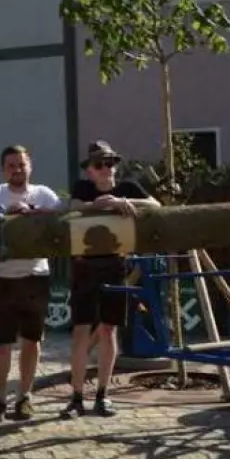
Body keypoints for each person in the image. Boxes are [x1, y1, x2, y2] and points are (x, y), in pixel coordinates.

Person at [66, 140, 157, 419]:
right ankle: (76, 396)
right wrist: (99, 205)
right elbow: (73, 206)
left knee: (108, 330)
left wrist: (123, 202)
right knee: (82, 330)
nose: (106, 169)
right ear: (89, 170)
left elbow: (155, 204)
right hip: (85, 266)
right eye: (99, 165)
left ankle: (103, 395)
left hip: (116, 265)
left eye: (110, 163)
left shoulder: (127, 188)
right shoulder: (82, 188)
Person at [0, 145, 64, 422]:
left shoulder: (44, 194)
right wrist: (4, 210)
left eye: (21, 164)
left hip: (35, 274)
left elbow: (62, 218)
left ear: (30, 166)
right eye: (11, 165)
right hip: (3, 275)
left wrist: (34, 211)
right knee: (1, 342)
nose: (17, 170)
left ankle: (25, 396)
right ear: (4, 170)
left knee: (31, 340)